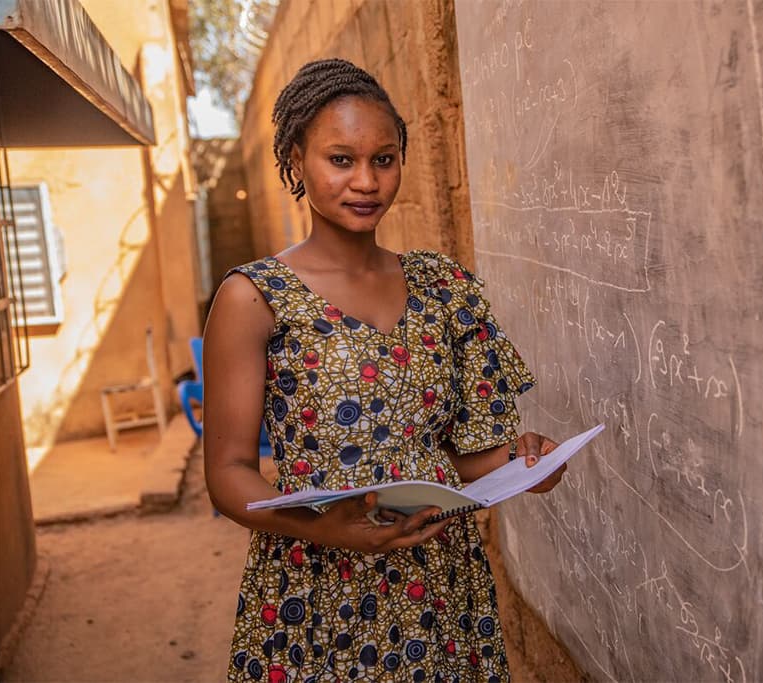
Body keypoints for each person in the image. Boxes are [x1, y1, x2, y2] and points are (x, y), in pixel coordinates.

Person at [203, 58, 564, 683]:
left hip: (439, 582)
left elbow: (452, 458)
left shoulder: (443, 286)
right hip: (321, 586)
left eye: (384, 158)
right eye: (340, 159)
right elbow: (228, 475)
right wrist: (329, 530)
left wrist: (521, 463)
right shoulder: (254, 297)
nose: (366, 181)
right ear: (295, 159)